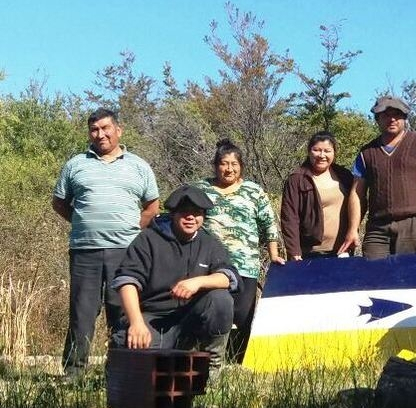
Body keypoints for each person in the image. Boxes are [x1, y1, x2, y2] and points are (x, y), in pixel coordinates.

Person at [52, 108, 159, 376]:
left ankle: (120, 370)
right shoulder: (76, 164)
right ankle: (74, 373)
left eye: (105, 128)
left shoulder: (139, 166)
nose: (100, 134)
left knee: (122, 311)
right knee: (82, 312)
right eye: (94, 129)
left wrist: (130, 230)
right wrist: (84, 223)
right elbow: (59, 203)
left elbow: (152, 206)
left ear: (118, 130)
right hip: (84, 251)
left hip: (125, 252)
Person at [109, 185, 239, 369]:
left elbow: (229, 277)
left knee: (221, 298)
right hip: (153, 318)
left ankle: (211, 365)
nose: (191, 217)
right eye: (184, 212)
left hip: (191, 318)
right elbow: (127, 281)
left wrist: (198, 282)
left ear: (204, 216)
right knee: (127, 345)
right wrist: (136, 323)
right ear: (173, 214)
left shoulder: (209, 243)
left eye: (197, 213)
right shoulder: (148, 239)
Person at [193, 139, 284, 364]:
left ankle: (237, 361)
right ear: (215, 165)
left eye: (234, 164)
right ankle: (210, 360)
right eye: (224, 163)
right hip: (210, 266)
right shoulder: (201, 189)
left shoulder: (253, 191)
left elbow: (268, 224)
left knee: (242, 316)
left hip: (245, 265)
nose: (229, 169)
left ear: (241, 166)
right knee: (213, 310)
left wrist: (274, 255)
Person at [339, 96, 416, 259]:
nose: (392, 119)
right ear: (377, 119)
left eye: (397, 115)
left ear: (404, 118)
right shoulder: (367, 153)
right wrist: (353, 229)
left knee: (408, 271)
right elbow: (357, 193)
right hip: (377, 225)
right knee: (372, 269)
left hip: (414, 223)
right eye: (385, 115)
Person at [281, 131, 354, 259]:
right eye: (317, 150)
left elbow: (358, 204)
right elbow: (289, 218)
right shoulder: (297, 179)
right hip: (309, 253)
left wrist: (353, 232)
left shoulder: (345, 176)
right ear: (309, 152)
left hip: (342, 251)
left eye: (327, 151)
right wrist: (294, 252)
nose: (322, 155)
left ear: (334, 153)